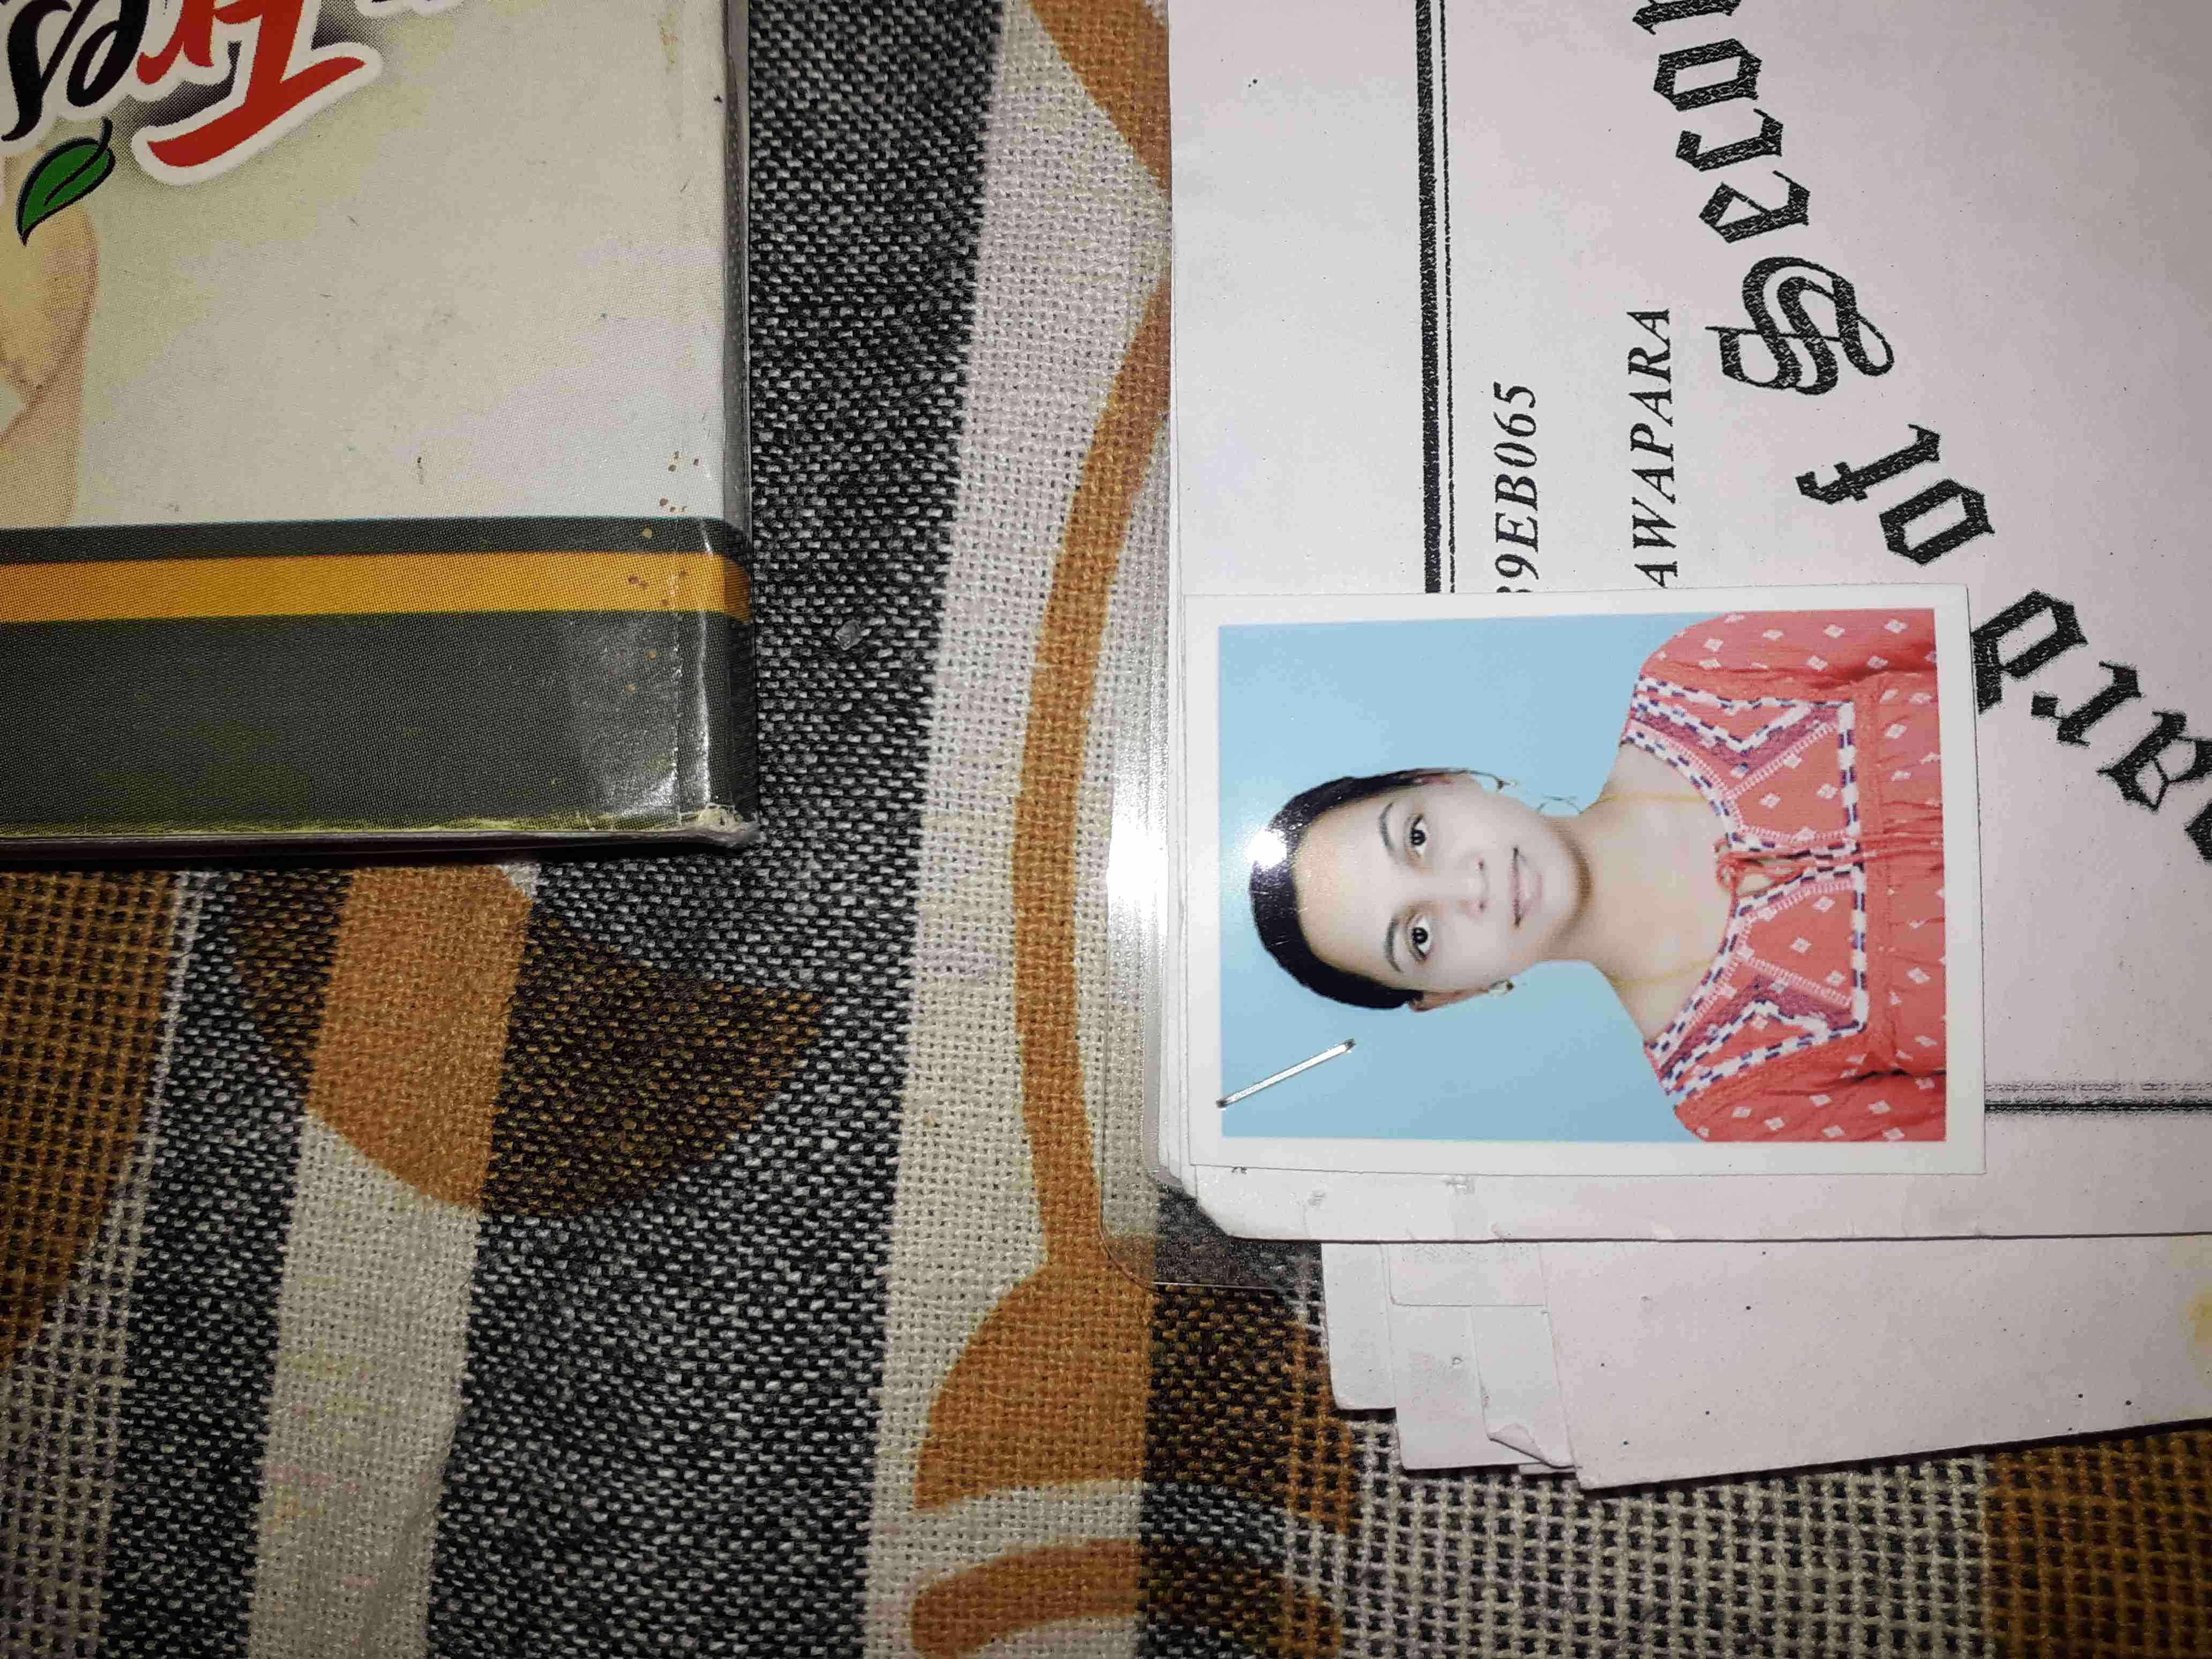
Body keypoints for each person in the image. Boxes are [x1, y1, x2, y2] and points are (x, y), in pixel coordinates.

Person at [1247, 609, 1946, 1142]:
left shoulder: (1708, 670)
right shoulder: (1737, 1097)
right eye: (1420, 936)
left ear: (1445, 781)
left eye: (1417, 837)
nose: (1468, 887)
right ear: (1451, 995)